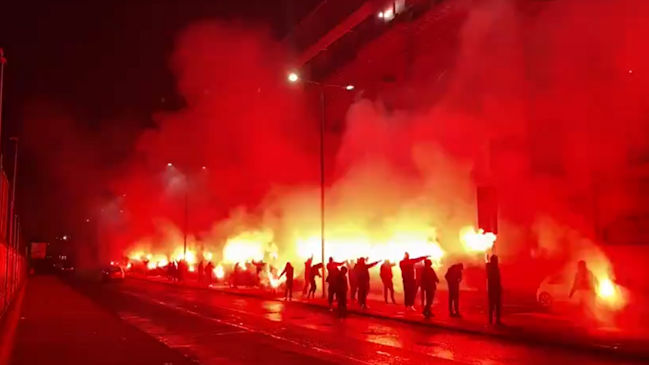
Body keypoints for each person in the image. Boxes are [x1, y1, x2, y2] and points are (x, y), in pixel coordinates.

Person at [486, 255, 502, 325]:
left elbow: (498, 280)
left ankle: (496, 320)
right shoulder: (491, 268)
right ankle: (491, 320)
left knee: (496, 306)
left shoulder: (494, 268)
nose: (497, 261)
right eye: (496, 260)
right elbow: (494, 280)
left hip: (496, 290)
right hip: (493, 290)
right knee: (492, 306)